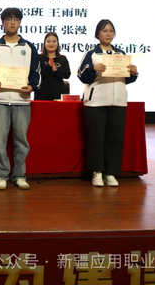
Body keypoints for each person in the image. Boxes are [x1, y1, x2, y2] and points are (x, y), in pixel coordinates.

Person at [0, 8, 41, 190]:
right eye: (9, 19)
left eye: (16, 19)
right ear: (3, 23)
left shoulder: (29, 47)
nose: (12, 22)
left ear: (20, 22)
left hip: (22, 100)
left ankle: (20, 175)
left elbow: (36, 73)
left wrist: (32, 86)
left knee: (21, 140)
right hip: (0, 100)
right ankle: (1, 175)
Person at [77, 19, 138, 187]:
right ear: (97, 34)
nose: (108, 34)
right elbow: (81, 75)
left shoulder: (121, 54)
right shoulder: (92, 53)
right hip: (96, 102)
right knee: (96, 138)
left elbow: (126, 79)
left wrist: (133, 73)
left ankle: (111, 173)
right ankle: (97, 172)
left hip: (118, 102)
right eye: (104, 31)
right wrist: (93, 69)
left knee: (115, 138)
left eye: (111, 31)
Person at [34, 32, 71, 101]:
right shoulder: (38, 58)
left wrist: (55, 70)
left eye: (54, 41)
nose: (51, 44)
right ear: (44, 43)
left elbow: (67, 74)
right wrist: (48, 66)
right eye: (48, 41)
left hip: (58, 94)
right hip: (41, 94)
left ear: (57, 43)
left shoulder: (62, 58)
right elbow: (37, 75)